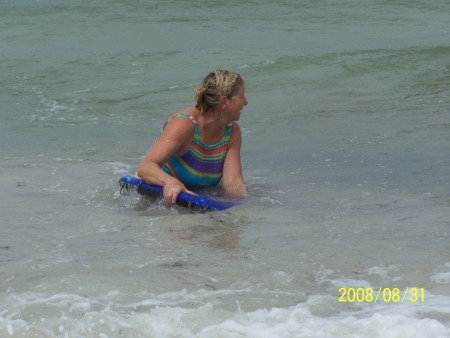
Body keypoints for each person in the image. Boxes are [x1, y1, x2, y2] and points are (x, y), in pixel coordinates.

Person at [136, 69, 248, 204]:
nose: (246, 102)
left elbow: (234, 183)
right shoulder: (184, 125)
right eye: (241, 97)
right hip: (155, 197)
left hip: (195, 199)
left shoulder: (232, 132)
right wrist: (171, 182)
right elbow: (146, 167)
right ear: (224, 101)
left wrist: (248, 207)